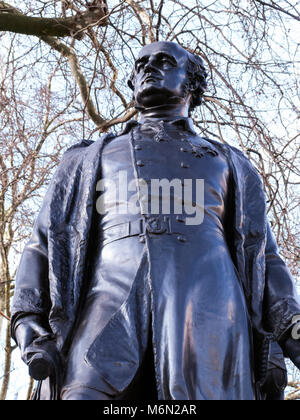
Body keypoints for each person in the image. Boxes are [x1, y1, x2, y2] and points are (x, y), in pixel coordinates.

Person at [11, 41, 300, 400]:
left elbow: (264, 254)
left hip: (208, 308)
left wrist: (291, 325)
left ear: (191, 84)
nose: (149, 67)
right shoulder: (85, 160)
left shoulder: (229, 163)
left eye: (164, 61)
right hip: (106, 299)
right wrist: (27, 317)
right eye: (141, 63)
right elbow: (43, 242)